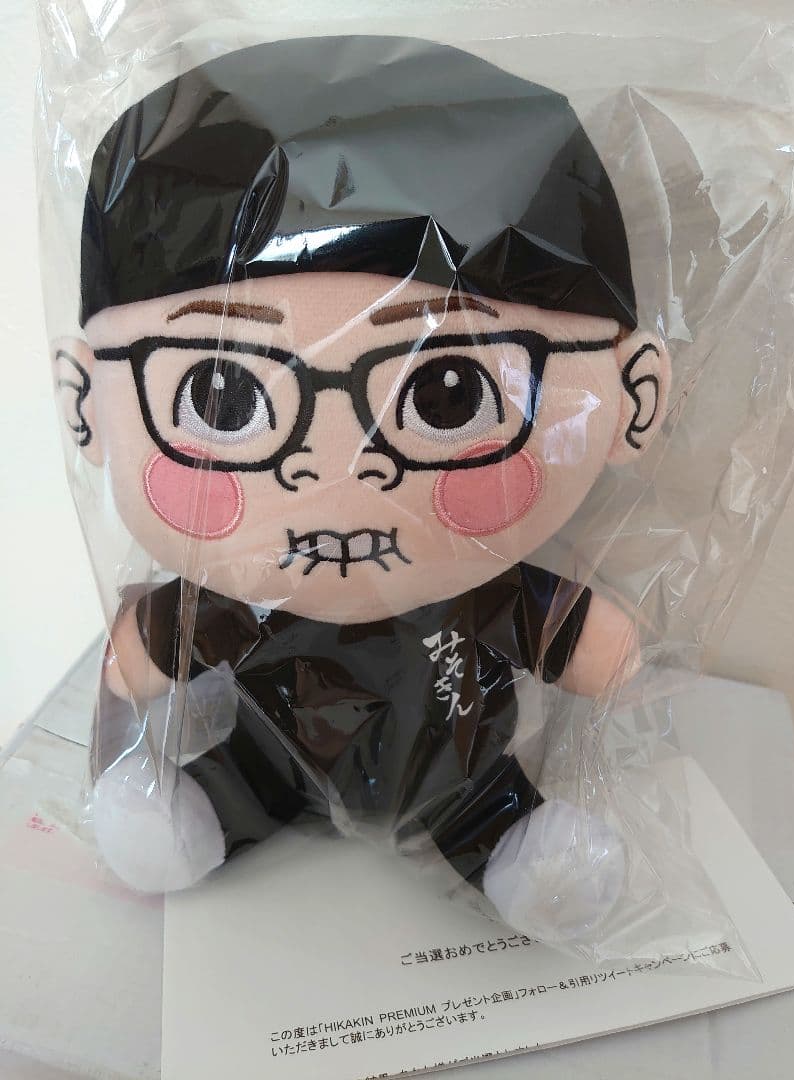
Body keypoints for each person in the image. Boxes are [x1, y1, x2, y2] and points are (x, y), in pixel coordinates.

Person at [55, 35, 670, 942]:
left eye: (447, 391)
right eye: (224, 395)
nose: (334, 471)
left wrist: (606, 655)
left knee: (493, 819)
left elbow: (584, 644)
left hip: (456, 771)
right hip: (267, 756)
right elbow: (152, 647)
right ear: (85, 403)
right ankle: (205, 809)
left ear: (633, 400)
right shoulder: (237, 602)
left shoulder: (482, 590)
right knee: (238, 779)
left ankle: (510, 840)